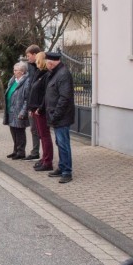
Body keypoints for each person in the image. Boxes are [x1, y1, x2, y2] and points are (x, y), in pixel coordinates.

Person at [44, 52, 74, 183]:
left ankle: (67, 171)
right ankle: (62, 167)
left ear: (50, 63)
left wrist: (56, 114)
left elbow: (64, 98)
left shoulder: (63, 74)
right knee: (60, 143)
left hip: (61, 116)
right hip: (57, 116)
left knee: (63, 144)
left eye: (46, 63)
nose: (46, 66)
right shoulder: (56, 73)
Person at [28, 52, 54, 172]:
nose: (36, 63)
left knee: (45, 136)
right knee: (41, 135)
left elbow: (45, 95)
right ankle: (44, 158)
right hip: (35, 109)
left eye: (38, 60)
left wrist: (40, 108)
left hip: (40, 111)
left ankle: (48, 161)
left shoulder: (46, 75)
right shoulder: (39, 73)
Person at [4, 61, 31, 159]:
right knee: (13, 131)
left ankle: (21, 152)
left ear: (23, 72)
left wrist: (23, 111)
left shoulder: (26, 82)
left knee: (19, 132)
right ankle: (15, 150)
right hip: (11, 110)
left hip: (19, 111)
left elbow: (27, 99)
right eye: (14, 70)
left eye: (16, 70)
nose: (14, 72)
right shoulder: (13, 80)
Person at [23, 46, 42, 161]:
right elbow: (30, 87)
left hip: (39, 106)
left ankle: (43, 156)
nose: (27, 58)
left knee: (42, 132)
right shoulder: (31, 67)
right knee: (33, 129)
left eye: (28, 56)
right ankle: (35, 152)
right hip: (32, 105)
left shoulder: (42, 69)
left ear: (35, 54)